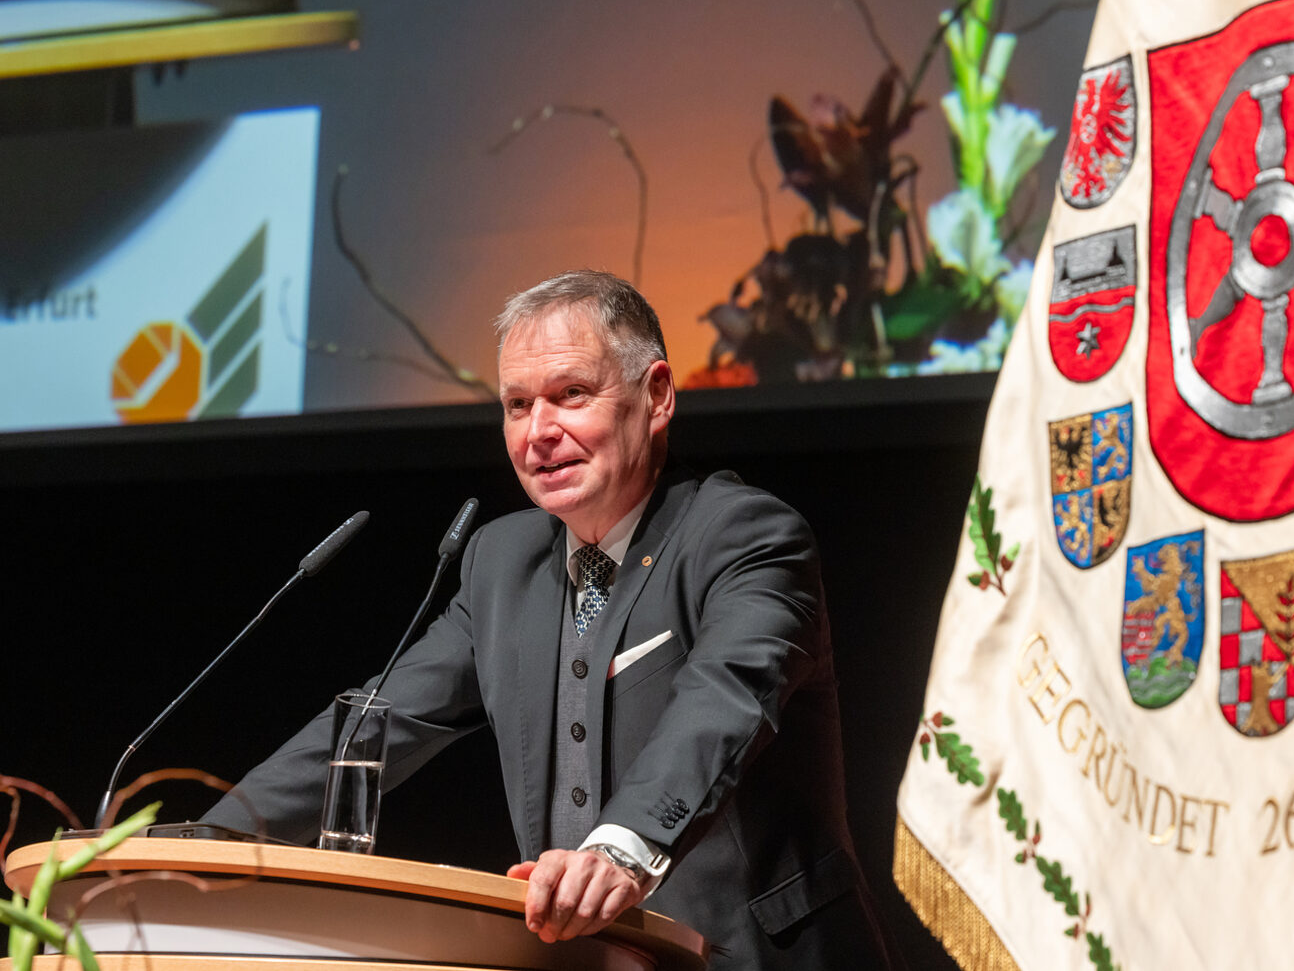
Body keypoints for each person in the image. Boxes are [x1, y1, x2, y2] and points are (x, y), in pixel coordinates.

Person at [203, 270, 895, 968]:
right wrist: (208, 840)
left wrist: (621, 848)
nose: (539, 432)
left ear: (656, 396)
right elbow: (376, 725)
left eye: (571, 395)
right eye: (516, 404)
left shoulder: (744, 535)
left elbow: (724, 701)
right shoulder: (502, 560)